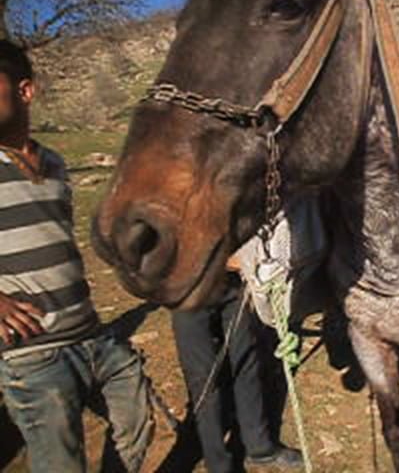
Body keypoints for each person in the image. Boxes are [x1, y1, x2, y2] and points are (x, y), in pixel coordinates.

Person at [0, 40, 154, 472]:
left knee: (135, 415)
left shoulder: (55, 162)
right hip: (33, 355)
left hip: (91, 334)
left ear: (25, 91)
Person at [171, 272, 303, 473]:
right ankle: (218, 464)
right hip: (186, 293)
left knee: (248, 364)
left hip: (232, 286)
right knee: (204, 381)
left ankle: (259, 446)